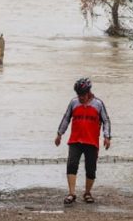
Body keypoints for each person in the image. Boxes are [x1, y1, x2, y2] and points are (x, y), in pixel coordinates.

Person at [54, 77, 111, 205]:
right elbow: (66, 118)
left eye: (83, 95)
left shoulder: (98, 104)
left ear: (89, 93)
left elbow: (106, 120)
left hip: (92, 142)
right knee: (72, 165)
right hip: (75, 140)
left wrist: (107, 137)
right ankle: (71, 193)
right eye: (79, 95)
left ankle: (87, 193)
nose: (81, 98)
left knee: (91, 169)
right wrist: (59, 134)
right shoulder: (73, 103)